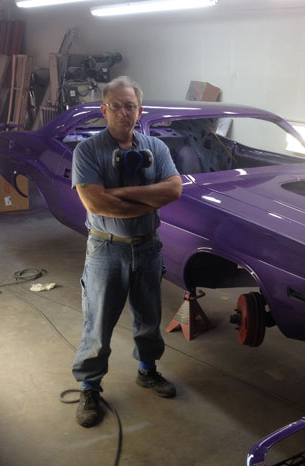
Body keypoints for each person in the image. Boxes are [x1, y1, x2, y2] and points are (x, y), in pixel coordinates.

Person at [71, 75, 182, 427]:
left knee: (149, 318)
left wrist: (118, 194)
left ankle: (147, 370)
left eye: (129, 106)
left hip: (148, 248)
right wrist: (146, 198)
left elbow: (174, 190)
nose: (123, 112)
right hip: (107, 249)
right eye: (116, 106)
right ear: (104, 110)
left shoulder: (157, 148)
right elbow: (95, 203)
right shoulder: (88, 151)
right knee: (98, 323)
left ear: (140, 111)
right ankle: (89, 387)